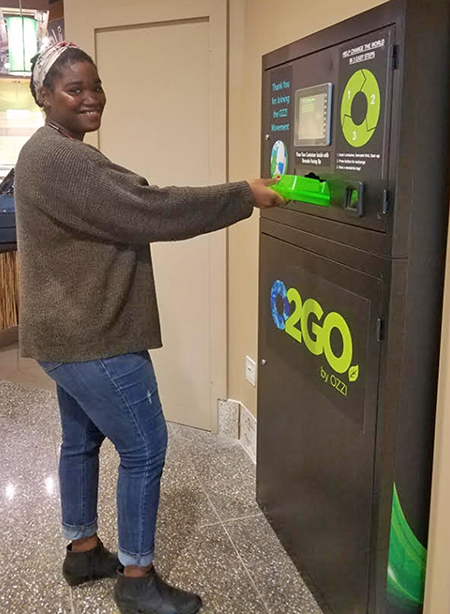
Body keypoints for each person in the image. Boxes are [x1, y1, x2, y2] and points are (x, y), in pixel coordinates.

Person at [14, 41, 284, 614]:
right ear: (44, 96)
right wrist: (245, 195)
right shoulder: (63, 158)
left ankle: (83, 549)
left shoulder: (43, 152)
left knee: (81, 440)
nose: (92, 98)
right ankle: (137, 579)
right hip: (92, 334)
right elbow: (150, 208)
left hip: (65, 334)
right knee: (146, 446)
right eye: (74, 89)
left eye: (96, 85)